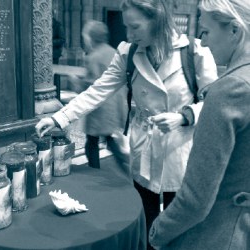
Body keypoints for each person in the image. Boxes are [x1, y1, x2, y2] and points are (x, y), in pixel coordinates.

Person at [36, 0, 217, 248]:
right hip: (144, 146)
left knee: (179, 222)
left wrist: (184, 116)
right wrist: (59, 117)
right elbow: (97, 90)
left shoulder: (194, 53)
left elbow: (215, 103)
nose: (129, 35)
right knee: (146, 214)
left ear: (158, 20)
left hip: (181, 148)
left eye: (135, 27)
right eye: (126, 27)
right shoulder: (129, 53)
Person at [148, 0, 250, 249]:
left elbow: (196, 200)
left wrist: (157, 231)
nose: (203, 42)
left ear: (234, 31)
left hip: (215, 233)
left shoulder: (230, 89)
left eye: (205, 32)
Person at [68, 20, 129, 170]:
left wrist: (76, 82)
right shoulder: (113, 51)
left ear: (90, 38)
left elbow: (92, 86)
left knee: (92, 140)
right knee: (108, 137)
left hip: (100, 108)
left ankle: (95, 169)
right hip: (115, 103)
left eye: (85, 36)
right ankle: (124, 161)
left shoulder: (93, 57)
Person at [52, 11, 65, 99]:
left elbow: (62, 39)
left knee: (55, 76)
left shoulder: (58, 25)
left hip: (54, 54)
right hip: (45, 55)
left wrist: (49, 42)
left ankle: (57, 96)